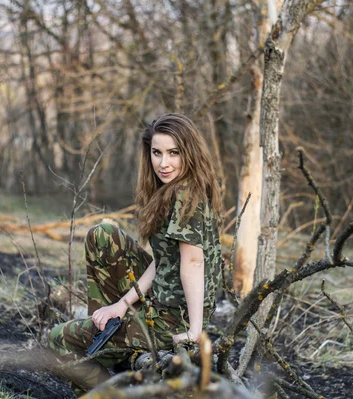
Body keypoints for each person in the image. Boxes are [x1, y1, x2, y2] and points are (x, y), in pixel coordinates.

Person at [48, 113, 223, 394]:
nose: (163, 163)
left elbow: (193, 262)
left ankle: (109, 391)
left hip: (172, 318)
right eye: (157, 153)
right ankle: (107, 334)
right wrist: (122, 304)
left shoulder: (185, 194)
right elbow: (164, 262)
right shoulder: (175, 189)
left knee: (58, 340)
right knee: (103, 234)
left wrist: (194, 333)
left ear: (189, 153)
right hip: (163, 301)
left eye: (173, 153)